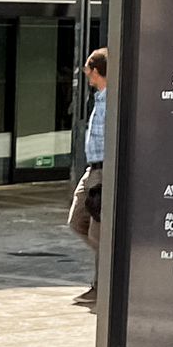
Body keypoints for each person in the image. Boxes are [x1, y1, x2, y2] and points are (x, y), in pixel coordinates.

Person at [68, 49, 107, 306]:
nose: (84, 73)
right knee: (76, 220)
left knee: (98, 232)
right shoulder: (99, 98)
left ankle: (101, 285)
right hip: (91, 168)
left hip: (104, 170)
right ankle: (110, 265)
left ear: (95, 70)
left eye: (87, 68)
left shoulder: (114, 100)